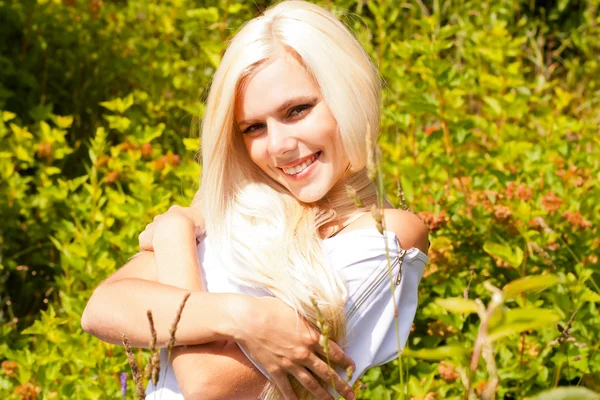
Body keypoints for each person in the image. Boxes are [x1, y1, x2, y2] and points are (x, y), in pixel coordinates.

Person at [81, 1, 429, 399]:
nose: (279, 146)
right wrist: (244, 317)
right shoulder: (246, 206)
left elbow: (206, 385)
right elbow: (102, 307)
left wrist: (175, 234)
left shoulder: (388, 236)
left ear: (347, 96)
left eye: (297, 110)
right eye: (254, 128)